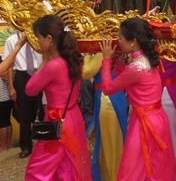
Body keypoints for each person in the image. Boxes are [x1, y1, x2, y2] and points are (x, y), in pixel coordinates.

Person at [99, 17, 175, 180]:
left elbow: (107, 88)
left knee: (133, 172)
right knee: (155, 168)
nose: (118, 41)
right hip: (158, 119)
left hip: (144, 124)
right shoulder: (150, 61)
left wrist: (105, 60)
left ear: (133, 41)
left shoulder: (136, 68)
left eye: (120, 37)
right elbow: (124, 77)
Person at [24, 15, 92, 180]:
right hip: (73, 116)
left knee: (37, 170)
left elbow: (30, 90)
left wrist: (43, 61)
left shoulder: (53, 66)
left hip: (58, 120)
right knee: (68, 166)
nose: (37, 42)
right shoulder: (75, 60)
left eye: (38, 37)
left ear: (49, 39)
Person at [84, 53, 128, 181]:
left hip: (107, 99)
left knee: (110, 144)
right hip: (115, 96)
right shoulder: (115, 48)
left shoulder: (102, 51)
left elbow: (86, 72)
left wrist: (87, 55)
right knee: (113, 141)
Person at [3, 32, 43, 158]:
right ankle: (26, 146)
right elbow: (9, 66)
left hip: (40, 72)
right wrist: (11, 87)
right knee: (23, 114)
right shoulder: (11, 40)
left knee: (41, 110)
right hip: (21, 76)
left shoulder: (40, 36)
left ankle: (44, 143)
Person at [0, 56, 13, 153]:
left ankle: (3, 146)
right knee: (7, 121)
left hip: (1, 99)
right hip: (7, 98)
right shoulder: (6, 67)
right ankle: (8, 144)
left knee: (2, 124)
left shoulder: (2, 69)